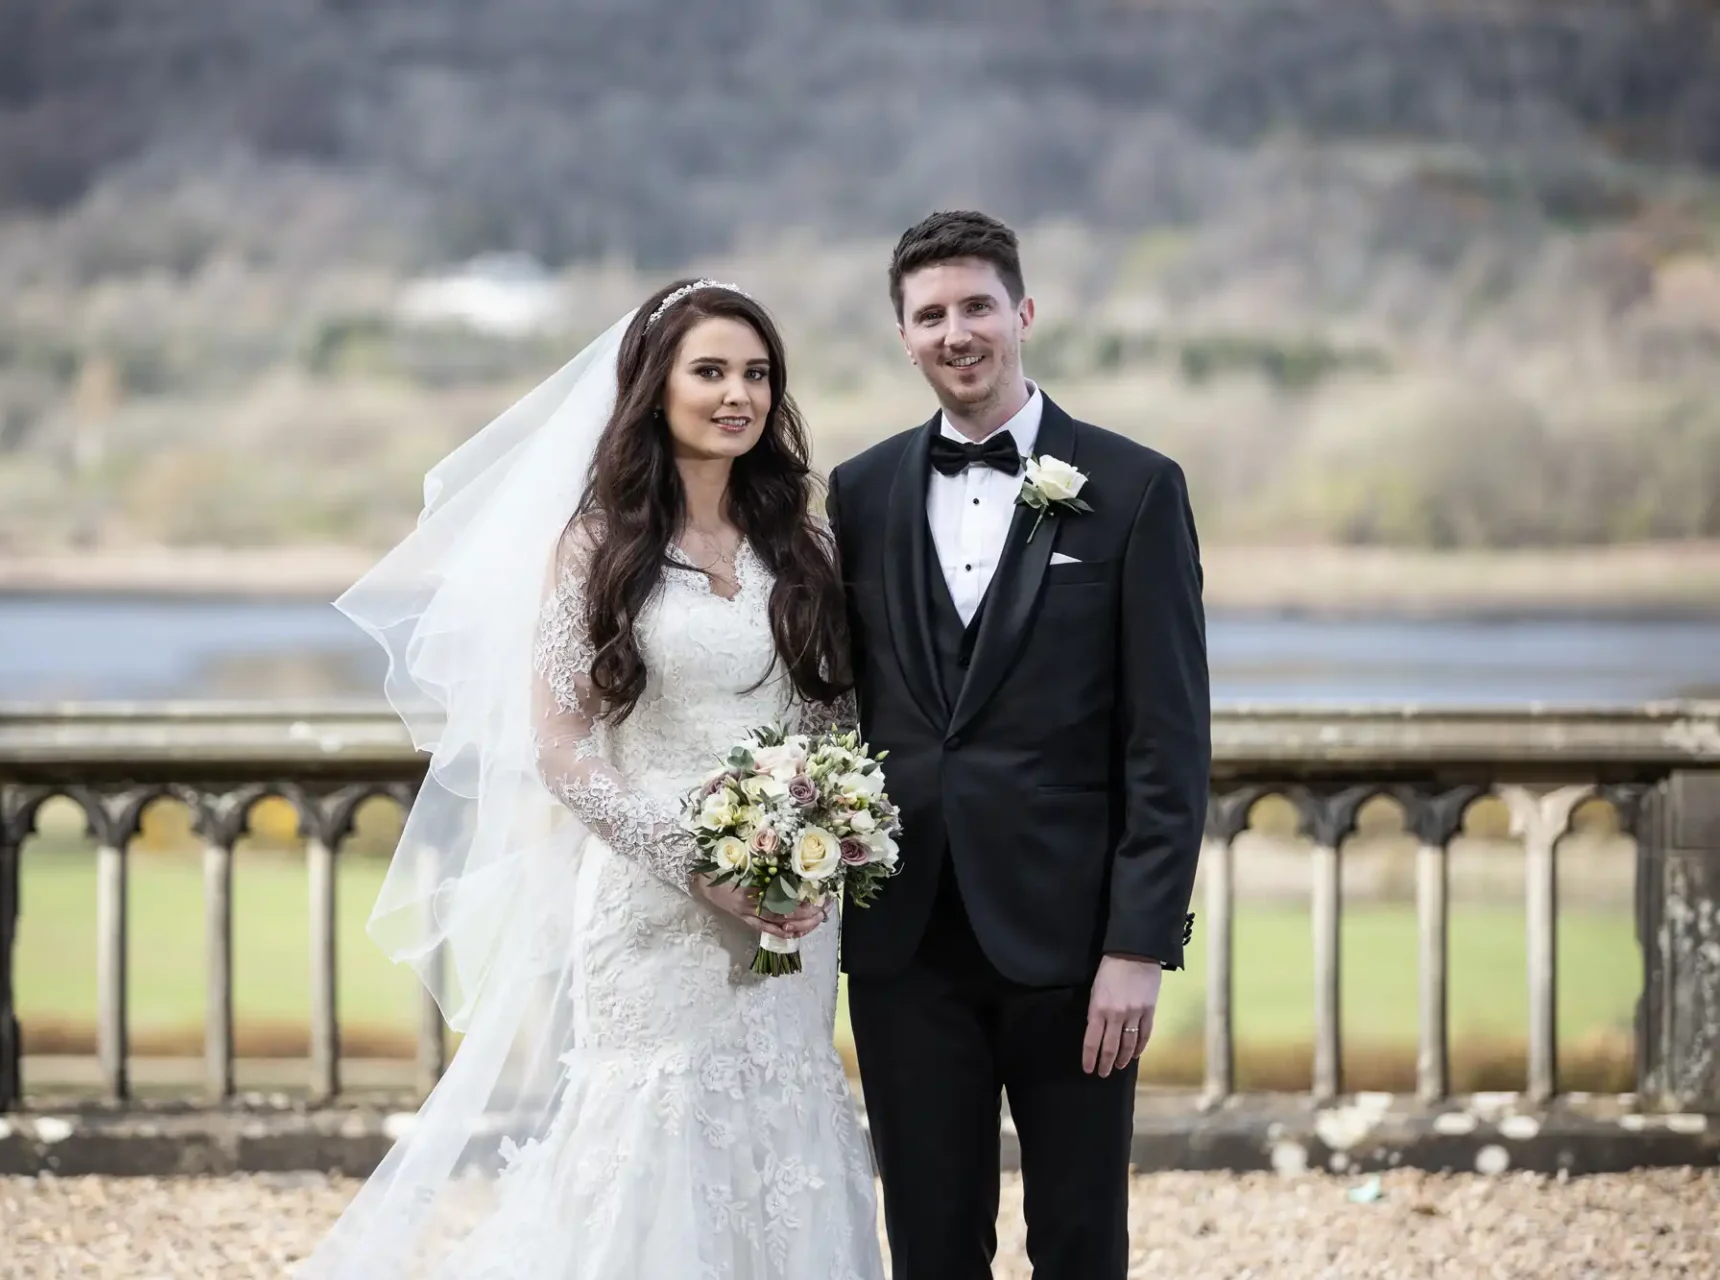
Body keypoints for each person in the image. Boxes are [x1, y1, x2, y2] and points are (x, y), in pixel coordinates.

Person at [298, 279, 884, 1278]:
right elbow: (562, 744)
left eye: (756, 373)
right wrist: (696, 861)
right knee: (648, 1129)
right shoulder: (598, 548)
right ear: (655, 388)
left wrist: (823, 839)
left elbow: (832, 723)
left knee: (788, 1115)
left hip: (794, 906)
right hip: (653, 907)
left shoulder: (807, 545)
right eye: (709, 371)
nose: (736, 393)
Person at [827, 210, 1210, 1280]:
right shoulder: (858, 494)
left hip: (1075, 944)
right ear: (903, 335)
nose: (958, 331)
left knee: (1081, 1240)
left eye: (978, 306)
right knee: (931, 1244)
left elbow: (1169, 743)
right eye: (930, 313)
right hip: (904, 942)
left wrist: (1138, 945)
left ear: (1024, 313)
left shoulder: (1135, 489)